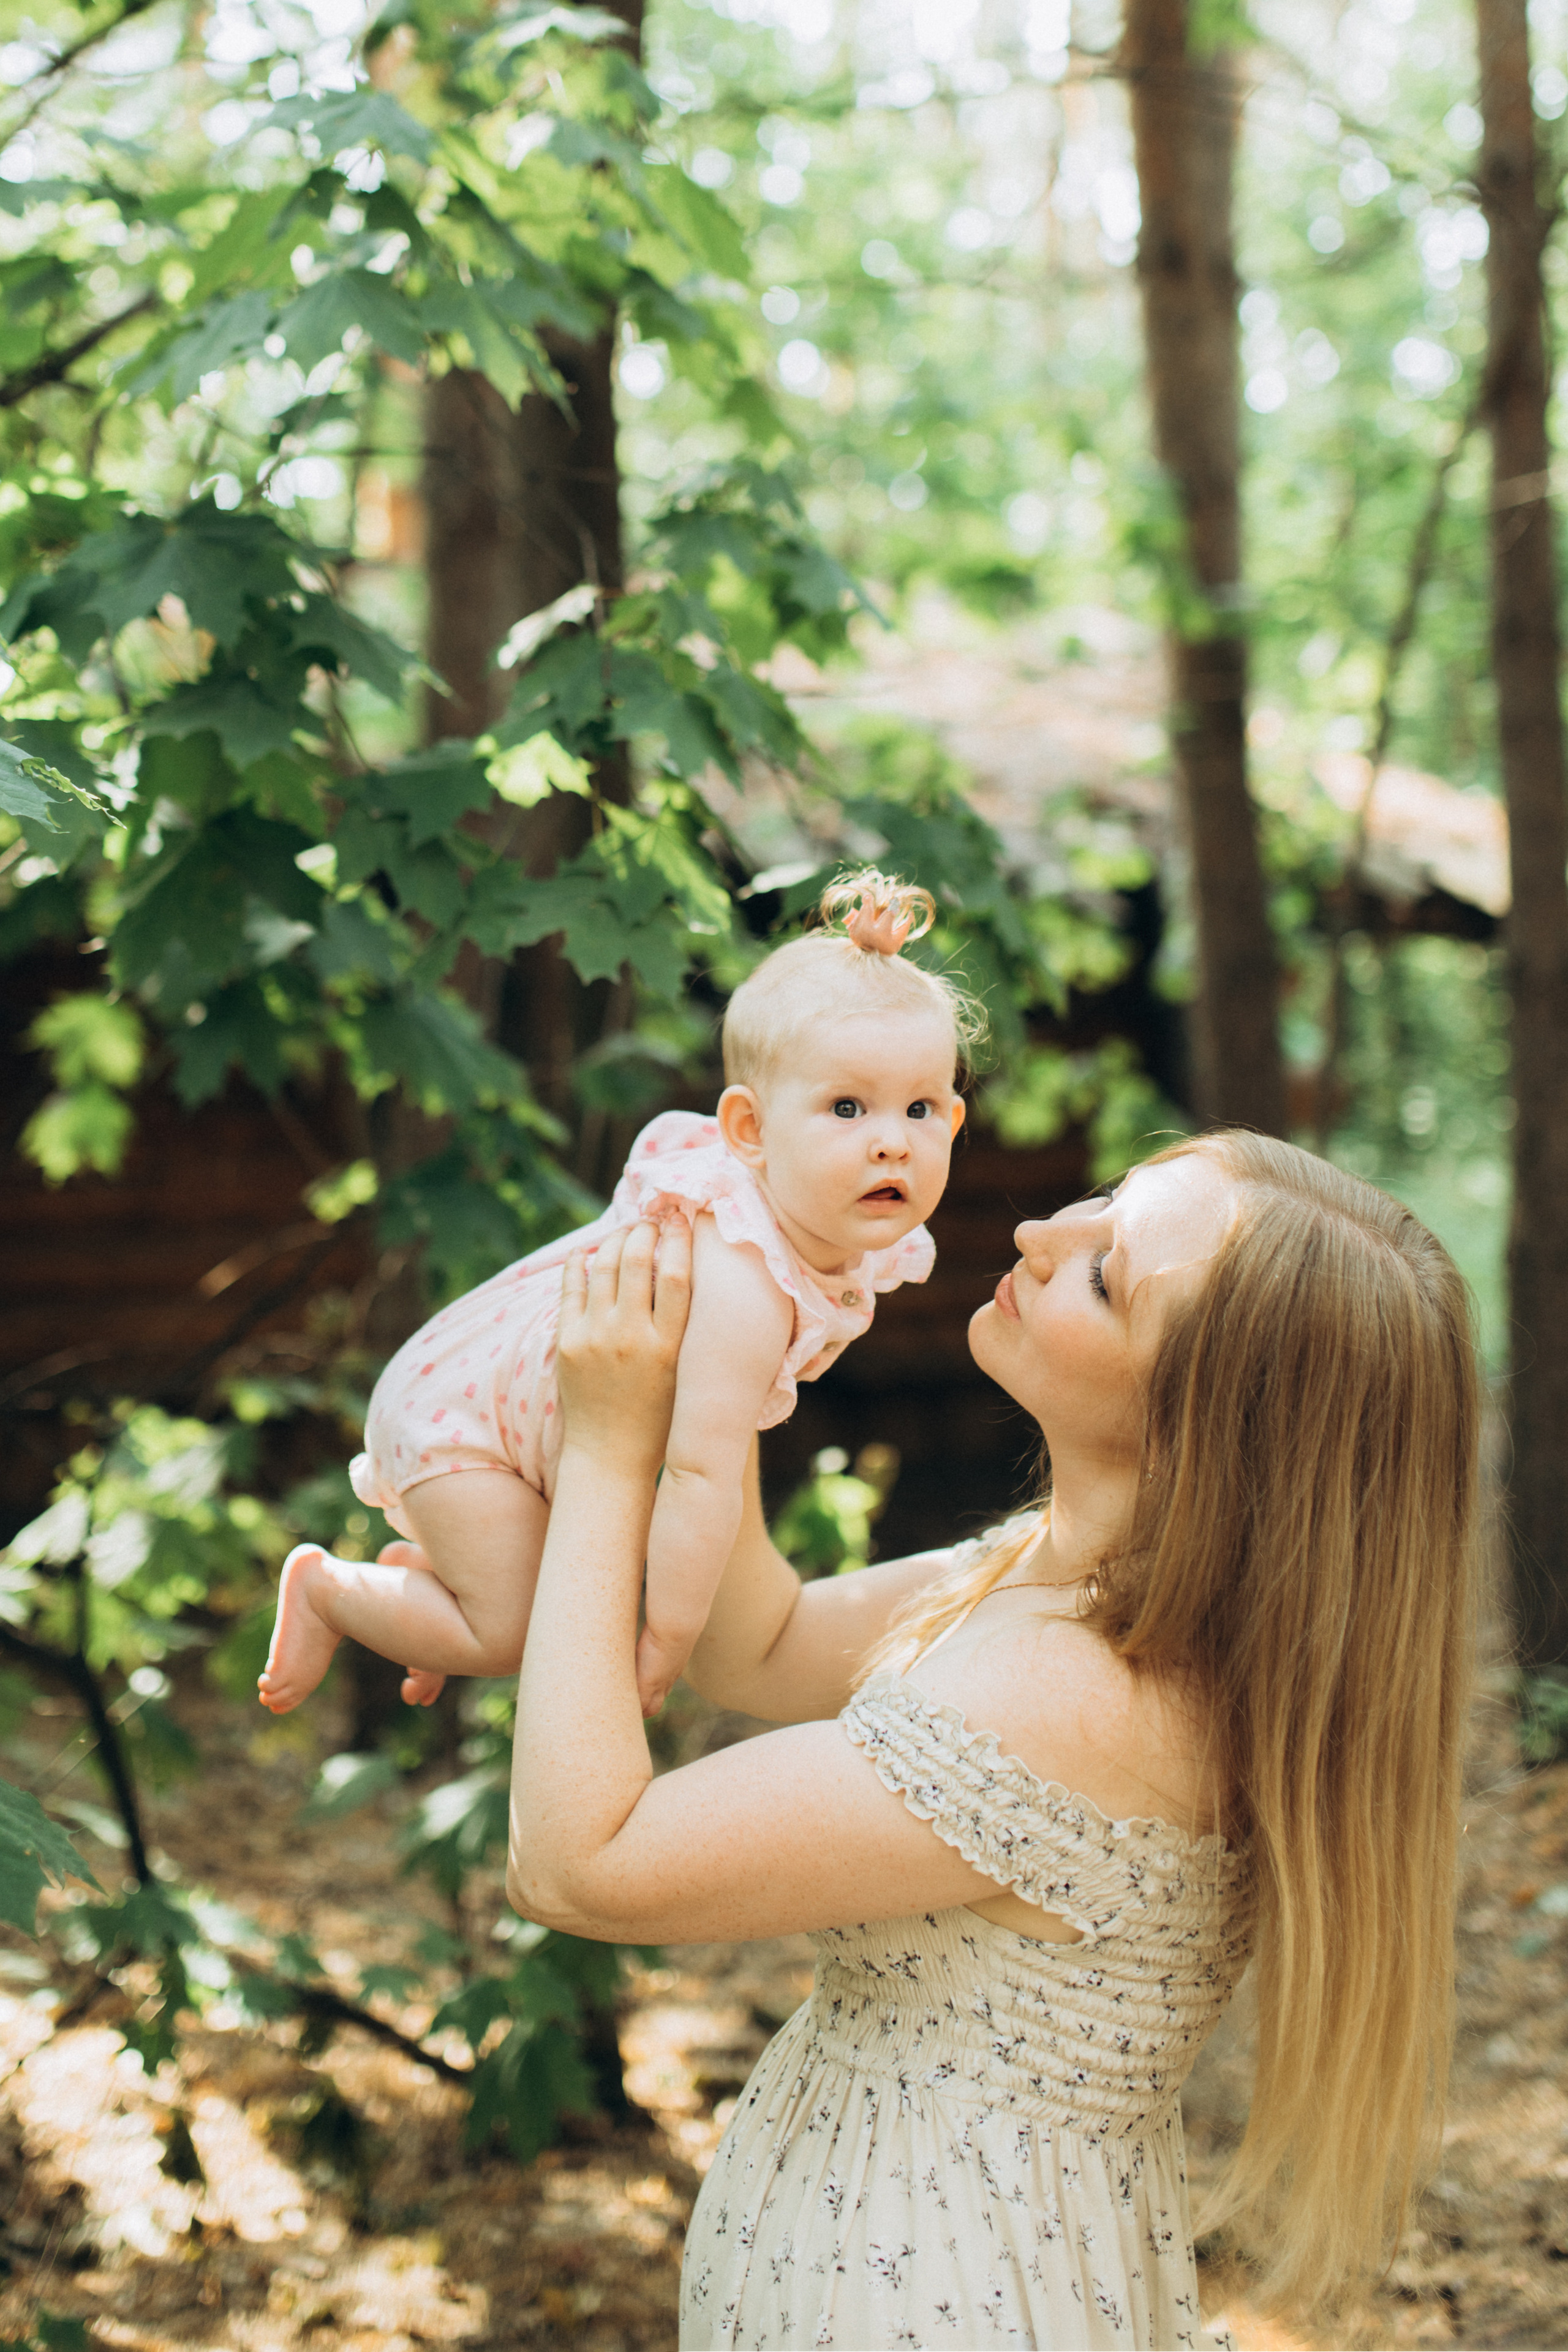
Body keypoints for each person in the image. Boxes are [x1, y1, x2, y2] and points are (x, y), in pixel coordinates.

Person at [507, 1133, 1480, 2350]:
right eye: (1103, 1202)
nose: (1037, 1233)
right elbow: (759, 1646)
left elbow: (580, 1864)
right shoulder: (1056, 1576)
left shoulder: (1074, 1694)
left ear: (1198, 1432)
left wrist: (606, 1448)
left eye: (1105, 1276)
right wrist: (729, 1359)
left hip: (929, 2295)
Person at [258, 869, 975, 1722]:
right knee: (509, 1633)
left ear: (954, 1122)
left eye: (920, 1109)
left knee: (518, 1591)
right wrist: (664, 1640)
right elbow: (698, 1477)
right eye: (848, 1108)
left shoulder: (801, 1220)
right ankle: (328, 1590)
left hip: (493, 1396)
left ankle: (433, 1588)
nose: (893, 1143)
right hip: (467, 1425)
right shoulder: (745, 1278)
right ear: (749, 1130)